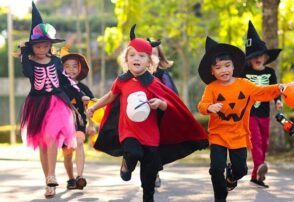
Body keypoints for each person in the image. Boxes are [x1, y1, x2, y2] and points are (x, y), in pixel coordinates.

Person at [87, 24, 208, 202]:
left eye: (142, 56)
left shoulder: (153, 83)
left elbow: (170, 106)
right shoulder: (122, 82)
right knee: (133, 152)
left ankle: (148, 197)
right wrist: (94, 107)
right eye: (132, 55)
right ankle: (127, 165)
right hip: (128, 131)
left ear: (149, 62)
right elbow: (110, 97)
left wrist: (160, 103)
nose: (137, 58)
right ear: (126, 59)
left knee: (149, 172)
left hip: (151, 135)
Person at [197, 36, 285, 202]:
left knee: (241, 170)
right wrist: (209, 107)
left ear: (233, 66)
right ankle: (220, 198)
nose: (224, 70)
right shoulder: (212, 88)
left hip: (239, 135)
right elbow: (202, 105)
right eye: (218, 67)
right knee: (216, 169)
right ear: (212, 71)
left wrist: (279, 88)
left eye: (227, 66)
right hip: (218, 135)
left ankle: (231, 177)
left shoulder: (244, 85)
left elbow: (262, 92)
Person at [19, 2, 88, 199]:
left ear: (50, 45)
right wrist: (24, 52)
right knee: (42, 143)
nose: (42, 48)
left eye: (46, 45)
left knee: (51, 138)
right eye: (38, 45)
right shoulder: (29, 62)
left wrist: (79, 93)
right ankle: (48, 183)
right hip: (37, 103)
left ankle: (52, 175)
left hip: (57, 102)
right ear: (33, 47)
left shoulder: (57, 61)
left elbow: (66, 81)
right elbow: (26, 73)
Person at [242, 20, 282, 188]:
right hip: (249, 113)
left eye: (261, 55)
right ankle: (259, 166)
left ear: (266, 57)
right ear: (249, 60)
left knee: (264, 142)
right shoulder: (244, 72)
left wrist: (278, 102)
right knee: (256, 141)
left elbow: (275, 90)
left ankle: (256, 176)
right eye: (254, 56)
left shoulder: (270, 73)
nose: (258, 58)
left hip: (264, 113)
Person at [60, 42, 96, 190]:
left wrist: (92, 125)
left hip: (79, 123)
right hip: (62, 124)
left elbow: (91, 107)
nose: (71, 69)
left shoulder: (84, 89)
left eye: (74, 66)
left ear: (80, 68)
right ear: (61, 69)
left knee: (79, 143)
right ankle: (71, 179)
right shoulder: (59, 88)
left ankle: (80, 176)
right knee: (67, 155)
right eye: (67, 66)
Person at [148, 40, 179, 187]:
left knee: (155, 146)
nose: (150, 57)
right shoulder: (132, 75)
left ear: (160, 58)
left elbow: (171, 95)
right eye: (146, 54)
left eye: (154, 54)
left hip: (159, 116)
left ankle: (154, 173)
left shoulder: (162, 75)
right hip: (139, 117)